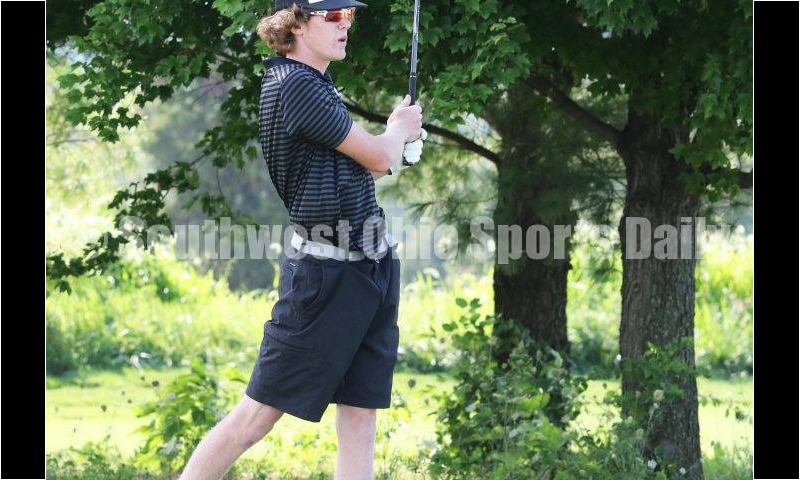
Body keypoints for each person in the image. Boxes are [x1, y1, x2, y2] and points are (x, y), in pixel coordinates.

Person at [178, 1, 425, 478]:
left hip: (370, 265)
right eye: (331, 16)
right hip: (325, 274)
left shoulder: (319, 87)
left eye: (348, 16)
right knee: (257, 414)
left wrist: (397, 148)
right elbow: (376, 157)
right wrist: (396, 134)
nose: (344, 26)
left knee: (360, 413)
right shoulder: (294, 87)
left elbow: (362, 168)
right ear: (294, 22)